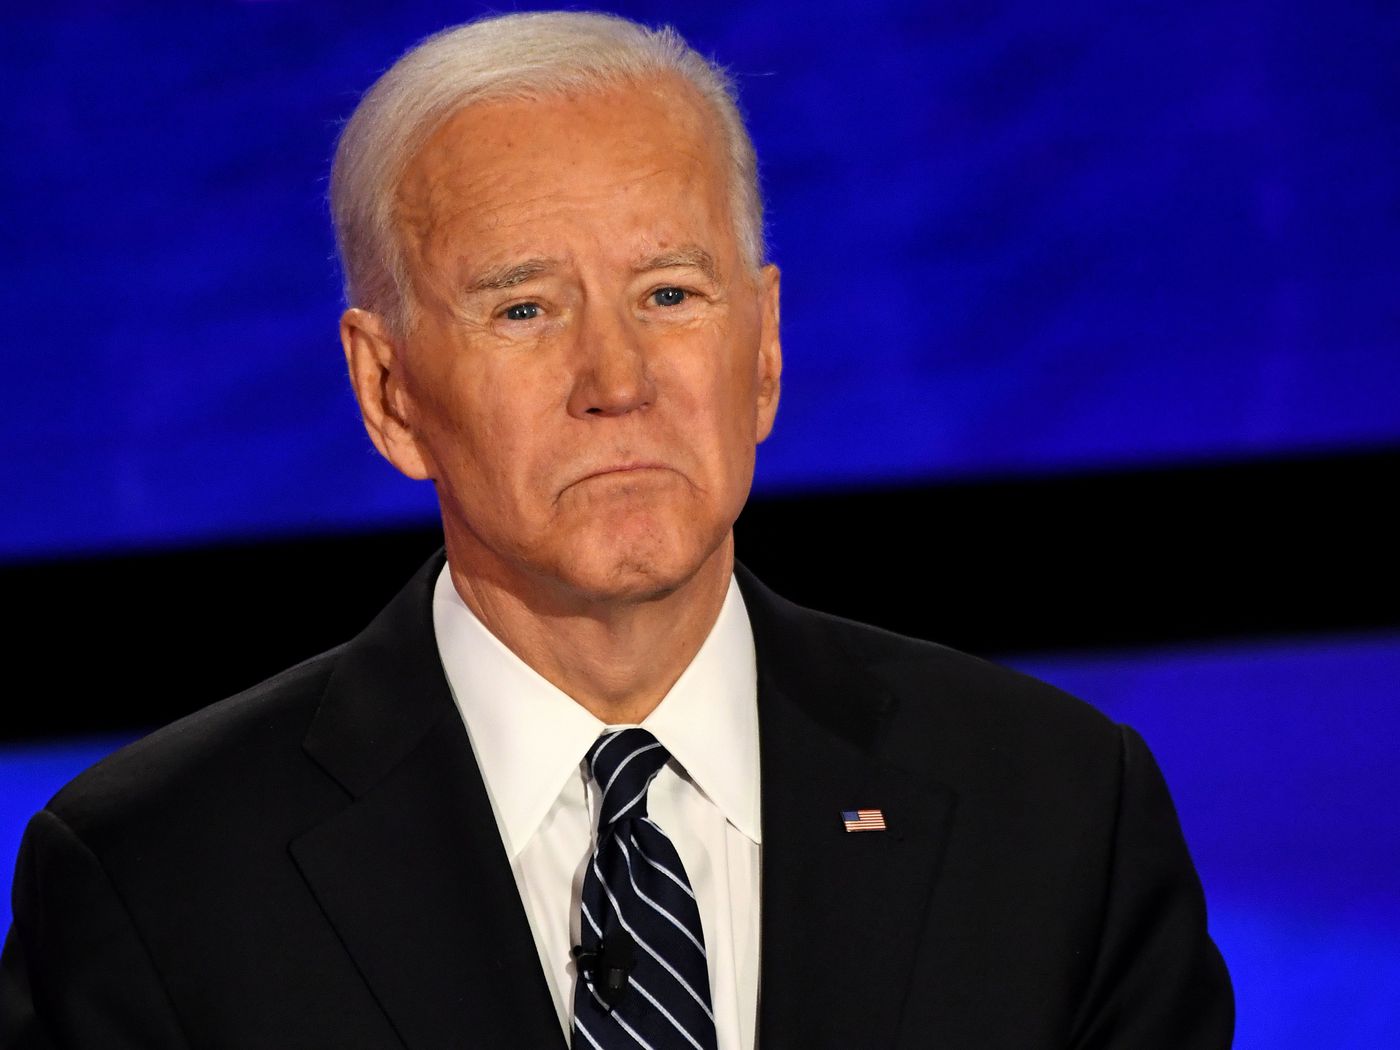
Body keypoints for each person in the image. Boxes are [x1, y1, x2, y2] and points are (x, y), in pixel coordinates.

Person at [0, 11, 1232, 1049]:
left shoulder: (1058, 814)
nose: (617, 379)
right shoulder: (153, 878)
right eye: (524, 309)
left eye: (669, 294)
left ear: (763, 350)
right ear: (388, 393)